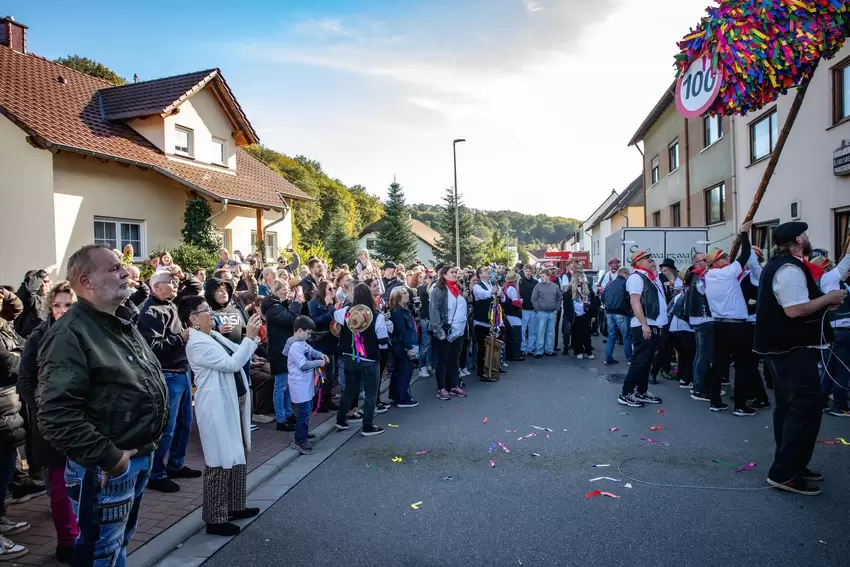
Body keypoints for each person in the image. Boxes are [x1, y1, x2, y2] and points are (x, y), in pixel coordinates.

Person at [38, 245, 168, 566]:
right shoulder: (70, 334)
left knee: (117, 544)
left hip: (135, 457)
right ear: (87, 281)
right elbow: (56, 415)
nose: (125, 272)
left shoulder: (119, 321)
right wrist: (111, 459)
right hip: (106, 467)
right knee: (101, 552)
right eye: (113, 269)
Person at [754, 221, 847, 496]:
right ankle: (785, 472)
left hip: (785, 348)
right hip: (792, 349)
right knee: (803, 408)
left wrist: (824, 300)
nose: (808, 237)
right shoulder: (789, 269)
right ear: (797, 239)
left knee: (788, 408)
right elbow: (794, 310)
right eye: (804, 233)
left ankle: (793, 464)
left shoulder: (784, 265)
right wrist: (828, 298)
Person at [178, 295, 261, 536]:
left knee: (237, 453)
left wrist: (250, 338)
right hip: (215, 406)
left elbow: (239, 352)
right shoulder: (197, 343)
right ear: (193, 319)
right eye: (205, 310)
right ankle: (214, 518)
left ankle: (235, 506)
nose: (211, 313)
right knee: (219, 459)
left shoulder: (211, 335)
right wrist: (250, 337)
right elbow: (233, 363)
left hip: (232, 401)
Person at [17, 281, 78, 563]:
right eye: (56, 305)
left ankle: (87, 537)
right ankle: (67, 541)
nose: (62, 310)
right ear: (49, 308)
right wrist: (46, 410)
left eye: (68, 305)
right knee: (59, 485)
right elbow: (25, 382)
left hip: (84, 422)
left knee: (85, 484)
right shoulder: (38, 337)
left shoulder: (89, 334)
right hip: (50, 424)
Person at [137, 271, 200, 492]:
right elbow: (152, 348)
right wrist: (180, 338)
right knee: (167, 427)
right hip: (167, 373)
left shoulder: (170, 305)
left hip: (182, 371)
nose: (174, 285)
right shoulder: (150, 311)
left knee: (184, 423)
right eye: (170, 283)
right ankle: (156, 472)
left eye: (174, 282)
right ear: (156, 287)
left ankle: (176, 464)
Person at [701, 222, 760, 415]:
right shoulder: (727, 272)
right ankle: (741, 406)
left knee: (719, 364)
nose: (728, 258)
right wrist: (744, 234)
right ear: (717, 262)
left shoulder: (707, 276)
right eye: (724, 257)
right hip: (737, 326)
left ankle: (715, 401)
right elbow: (744, 256)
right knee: (742, 365)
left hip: (718, 324)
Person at [334, 284, 388, 436]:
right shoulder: (377, 317)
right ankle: (368, 426)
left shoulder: (344, 312)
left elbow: (334, 319)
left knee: (349, 390)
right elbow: (383, 342)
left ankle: (341, 419)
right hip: (370, 359)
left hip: (349, 357)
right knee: (371, 393)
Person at [617, 250, 666, 408]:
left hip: (654, 323)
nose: (651, 262)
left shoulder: (651, 277)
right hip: (644, 324)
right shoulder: (636, 278)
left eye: (651, 259)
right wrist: (644, 324)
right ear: (637, 262)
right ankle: (626, 393)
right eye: (647, 259)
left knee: (647, 360)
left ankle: (641, 391)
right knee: (640, 360)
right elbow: (635, 302)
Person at [0, 291, 28, 561]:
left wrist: (8, 295)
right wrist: (24, 355)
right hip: (1, 413)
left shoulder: (4, 326)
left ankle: (1, 520)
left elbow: (16, 310)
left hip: (8, 412)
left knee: (6, 472)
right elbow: (11, 365)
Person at [262, 280, 304, 431]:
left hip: (285, 350)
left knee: (287, 385)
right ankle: (281, 419)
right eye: (284, 290)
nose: (287, 292)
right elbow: (290, 319)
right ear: (275, 290)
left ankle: (288, 413)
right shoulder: (273, 308)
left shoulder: (280, 306)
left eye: (288, 289)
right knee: (280, 386)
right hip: (279, 351)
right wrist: (296, 304)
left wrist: (297, 303)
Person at [283, 316, 327, 454]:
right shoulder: (295, 346)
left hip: (305, 383)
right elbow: (303, 365)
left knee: (306, 411)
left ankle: (303, 433)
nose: (309, 336)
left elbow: (311, 350)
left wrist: (320, 354)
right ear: (300, 330)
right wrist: (319, 363)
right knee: (304, 412)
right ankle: (299, 440)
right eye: (308, 333)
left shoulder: (301, 342)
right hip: (299, 384)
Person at [429, 266, 468, 400]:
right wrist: (439, 331)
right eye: (452, 272)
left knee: (454, 360)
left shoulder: (458, 289)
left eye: (455, 272)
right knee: (443, 360)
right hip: (445, 330)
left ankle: (454, 385)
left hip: (459, 331)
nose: (455, 274)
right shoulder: (438, 291)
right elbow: (434, 312)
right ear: (444, 275)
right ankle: (441, 388)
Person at [307, 281, 340, 413]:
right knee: (322, 374)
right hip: (320, 343)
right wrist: (330, 308)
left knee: (330, 374)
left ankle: (326, 398)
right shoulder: (314, 303)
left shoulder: (332, 302)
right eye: (329, 289)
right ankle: (318, 401)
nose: (333, 291)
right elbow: (314, 322)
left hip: (332, 342)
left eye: (333, 289)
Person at [687, 251, 714, 402]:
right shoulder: (699, 276)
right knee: (704, 355)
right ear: (697, 264)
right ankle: (699, 388)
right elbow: (708, 294)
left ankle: (698, 385)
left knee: (700, 354)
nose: (708, 261)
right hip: (704, 318)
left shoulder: (694, 275)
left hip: (698, 319)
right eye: (704, 260)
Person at [472, 267, 505, 380]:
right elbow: (483, 295)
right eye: (486, 272)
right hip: (482, 322)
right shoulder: (477, 286)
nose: (488, 273)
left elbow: (503, 298)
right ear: (480, 275)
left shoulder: (492, 285)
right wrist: (493, 292)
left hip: (493, 322)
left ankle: (494, 367)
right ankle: (482, 371)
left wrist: (500, 294)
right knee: (483, 347)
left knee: (495, 345)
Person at [389, 287, 419, 408]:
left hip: (406, 345)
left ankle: (398, 395)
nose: (407, 294)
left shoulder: (405, 309)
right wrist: (408, 347)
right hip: (402, 347)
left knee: (402, 371)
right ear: (397, 296)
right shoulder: (398, 312)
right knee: (404, 372)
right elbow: (401, 332)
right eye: (404, 293)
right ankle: (402, 398)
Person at [668, 267, 696, 389]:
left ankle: (681, 376)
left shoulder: (681, 293)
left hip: (674, 327)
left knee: (684, 353)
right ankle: (687, 379)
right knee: (691, 353)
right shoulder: (689, 292)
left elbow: (669, 309)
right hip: (685, 327)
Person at [602, 267, 633, 364]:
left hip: (609, 312)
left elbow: (603, 297)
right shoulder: (626, 284)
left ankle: (608, 358)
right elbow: (629, 298)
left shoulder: (609, 284)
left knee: (611, 336)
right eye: (628, 274)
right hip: (621, 312)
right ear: (624, 274)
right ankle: (630, 359)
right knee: (626, 336)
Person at [531, 269, 562, 358]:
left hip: (552, 312)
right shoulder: (538, 286)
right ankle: (539, 351)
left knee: (551, 332)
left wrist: (557, 309)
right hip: (541, 312)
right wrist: (537, 309)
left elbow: (559, 298)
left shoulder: (555, 286)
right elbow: (533, 298)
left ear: (548, 276)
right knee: (540, 332)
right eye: (541, 277)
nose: (542, 278)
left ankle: (549, 350)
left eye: (543, 276)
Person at [14, 267, 53, 338]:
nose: (42, 285)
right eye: (38, 282)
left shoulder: (56, 301)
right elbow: (28, 291)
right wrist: (42, 274)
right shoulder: (25, 299)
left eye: (45, 281)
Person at [564, 269, 594, 359]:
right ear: (576, 278)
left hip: (585, 314)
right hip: (575, 315)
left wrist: (592, 315)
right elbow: (566, 305)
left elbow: (593, 301)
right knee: (576, 334)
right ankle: (578, 351)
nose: (583, 278)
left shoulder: (587, 287)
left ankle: (588, 351)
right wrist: (569, 316)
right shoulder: (569, 290)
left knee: (586, 334)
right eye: (581, 276)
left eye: (583, 276)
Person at [502, 271, 525, 361]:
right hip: (513, 314)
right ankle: (515, 355)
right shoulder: (512, 288)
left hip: (509, 313)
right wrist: (521, 302)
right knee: (516, 335)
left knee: (511, 335)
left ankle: (510, 354)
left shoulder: (506, 286)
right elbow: (515, 302)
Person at [417, 271, 436, 377]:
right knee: (425, 344)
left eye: (432, 277)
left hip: (432, 318)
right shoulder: (423, 288)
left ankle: (431, 364)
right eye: (429, 277)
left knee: (433, 344)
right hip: (426, 318)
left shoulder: (433, 287)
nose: (432, 278)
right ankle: (422, 367)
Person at [519, 264, 538, 357]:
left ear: (532, 272)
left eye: (530, 271)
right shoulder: (520, 282)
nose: (528, 273)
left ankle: (531, 348)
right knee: (522, 330)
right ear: (523, 271)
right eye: (526, 271)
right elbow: (518, 294)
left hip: (533, 309)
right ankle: (522, 348)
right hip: (523, 309)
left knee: (532, 329)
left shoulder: (536, 282)